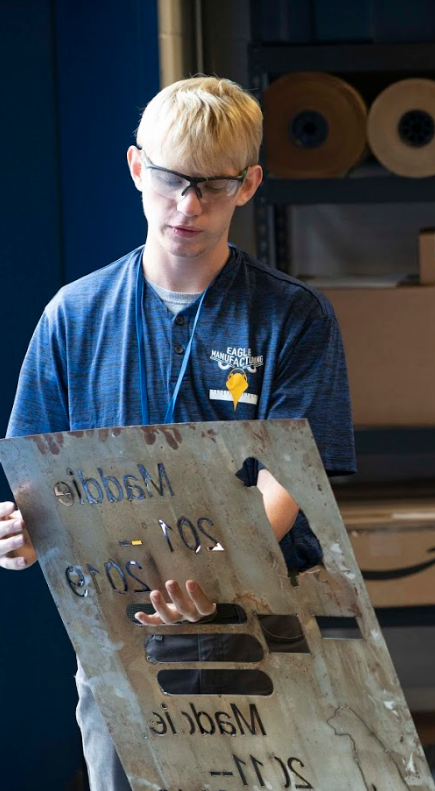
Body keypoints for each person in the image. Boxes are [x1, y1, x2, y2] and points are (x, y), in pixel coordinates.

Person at [0, 76, 355, 791]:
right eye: (169, 181)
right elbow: (37, 472)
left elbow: (285, 480)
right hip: (120, 643)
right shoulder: (75, 317)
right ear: (137, 168)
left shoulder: (293, 319)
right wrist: (26, 530)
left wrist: (213, 569)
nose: (187, 206)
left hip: (261, 631)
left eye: (212, 186)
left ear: (249, 184)